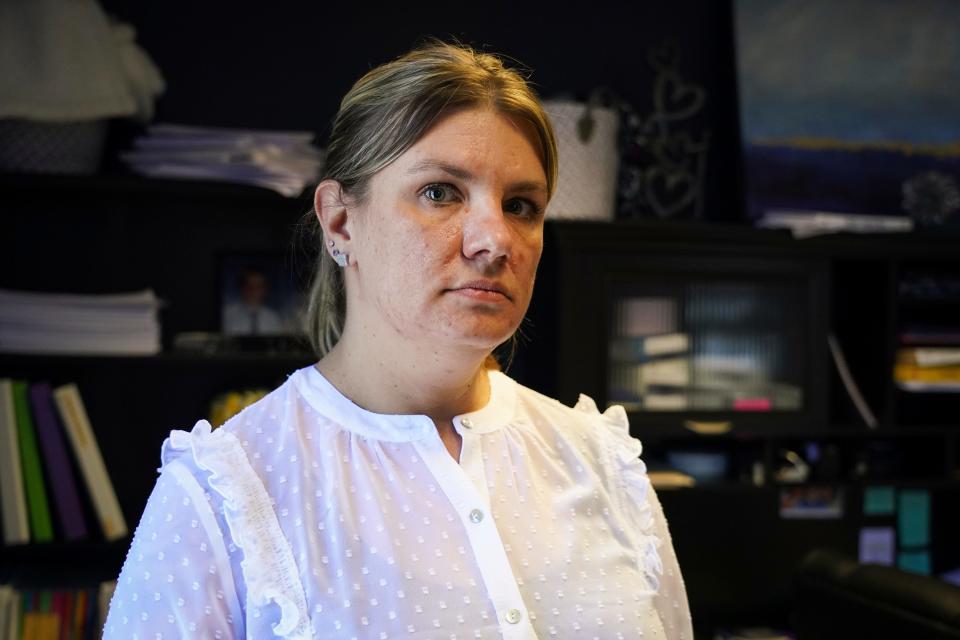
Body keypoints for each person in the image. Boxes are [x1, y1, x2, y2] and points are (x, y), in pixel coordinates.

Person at [104, 40, 693, 639]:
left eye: (521, 205)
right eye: (440, 192)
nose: (495, 240)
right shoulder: (227, 493)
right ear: (340, 222)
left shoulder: (601, 464)